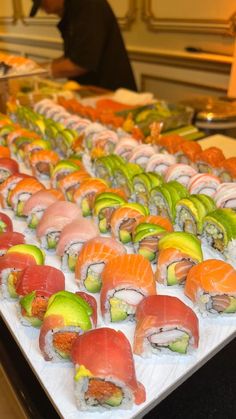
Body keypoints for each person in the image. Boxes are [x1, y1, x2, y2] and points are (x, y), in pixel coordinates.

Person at [29, 0, 137, 91]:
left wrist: (40, 72)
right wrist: (35, 68)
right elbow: (72, 56)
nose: (47, 11)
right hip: (90, 91)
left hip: (111, 91)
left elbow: (81, 63)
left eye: (43, 4)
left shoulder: (88, 5)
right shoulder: (71, 9)